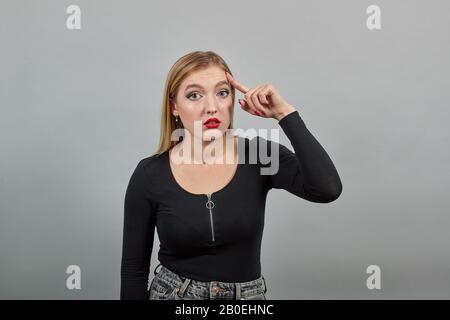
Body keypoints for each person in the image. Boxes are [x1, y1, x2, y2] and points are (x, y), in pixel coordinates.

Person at [120, 51, 343, 300]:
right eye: (194, 95)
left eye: (222, 92)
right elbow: (133, 270)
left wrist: (285, 115)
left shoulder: (261, 155)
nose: (211, 107)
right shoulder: (149, 174)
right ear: (174, 106)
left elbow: (327, 189)